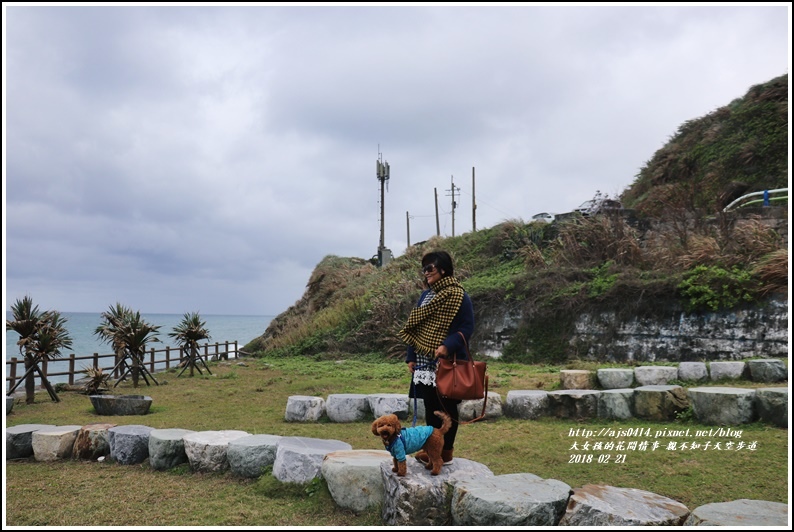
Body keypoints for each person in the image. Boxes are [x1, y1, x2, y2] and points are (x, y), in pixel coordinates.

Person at [398, 250, 474, 465]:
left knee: (447, 409)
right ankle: (432, 450)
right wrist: (411, 356)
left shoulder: (459, 295)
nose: (426, 273)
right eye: (424, 269)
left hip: (448, 361)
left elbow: (467, 327)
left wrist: (447, 346)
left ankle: (446, 452)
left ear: (443, 269)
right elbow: (417, 327)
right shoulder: (425, 295)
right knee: (431, 408)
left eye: (430, 268)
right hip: (424, 361)